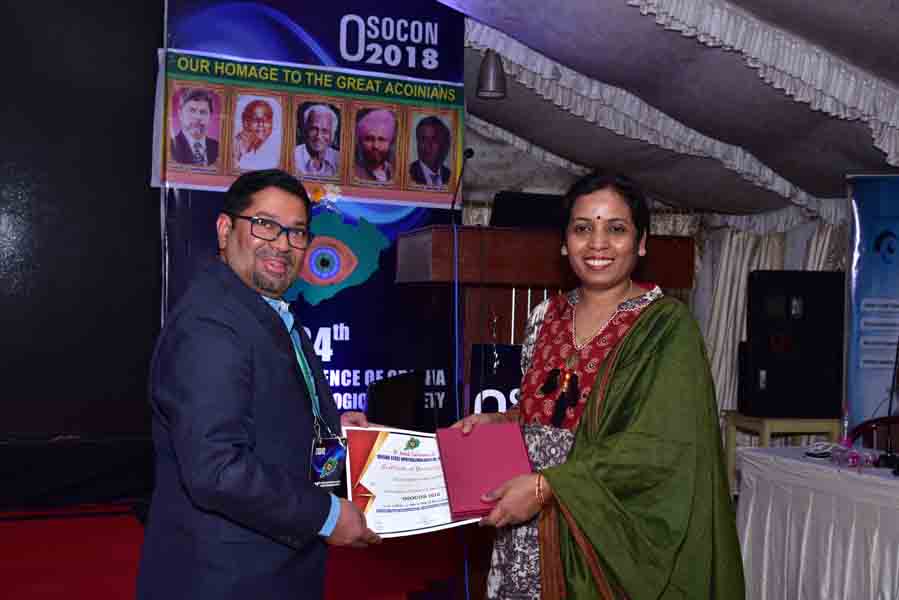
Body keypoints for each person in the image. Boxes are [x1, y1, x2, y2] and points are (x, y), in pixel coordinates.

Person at [453, 171, 744, 599]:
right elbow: (546, 414)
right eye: (583, 228)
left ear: (641, 243)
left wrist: (549, 487)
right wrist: (500, 421)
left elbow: (662, 447)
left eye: (617, 229)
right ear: (564, 242)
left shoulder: (665, 327)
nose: (598, 243)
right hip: (523, 523)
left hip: (605, 534)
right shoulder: (544, 316)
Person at [137, 169, 380, 600]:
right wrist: (326, 516)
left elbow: (261, 414)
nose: (282, 244)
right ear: (225, 229)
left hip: (271, 569)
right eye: (265, 224)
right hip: (225, 578)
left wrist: (332, 428)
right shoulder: (209, 325)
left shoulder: (264, 311)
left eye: (296, 232)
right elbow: (217, 468)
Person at [170, 88, 219, 166]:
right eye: (192, 110)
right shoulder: (170, 147)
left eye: (203, 112)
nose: (197, 117)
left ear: (210, 116)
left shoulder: (219, 148)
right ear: (180, 114)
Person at [294, 104, 340, 178]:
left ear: (332, 135)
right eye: (314, 129)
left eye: (325, 131)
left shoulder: (339, 159)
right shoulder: (293, 156)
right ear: (305, 130)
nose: (318, 136)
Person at [233, 99, 280, 170]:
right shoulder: (236, 147)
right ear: (245, 122)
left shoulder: (260, 148)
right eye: (255, 119)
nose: (261, 124)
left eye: (266, 120)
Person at [353, 108, 396, 182]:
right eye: (369, 139)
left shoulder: (396, 174)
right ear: (360, 141)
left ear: (390, 142)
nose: (375, 146)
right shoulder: (353, 173)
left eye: (381, 139)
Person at [408, 116, 451, 187]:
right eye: (423, 139)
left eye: (434, 139)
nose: (428, 145)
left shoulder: (449, 176)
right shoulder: (408, 173)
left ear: (443, 144)